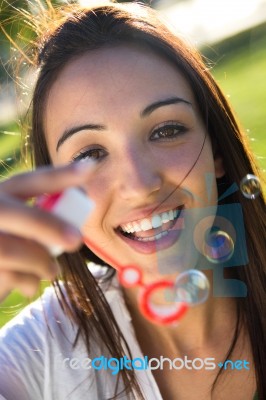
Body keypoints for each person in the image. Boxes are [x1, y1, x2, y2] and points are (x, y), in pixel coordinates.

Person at [0, 1, 265, 399]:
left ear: (217, 151)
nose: (139, 185)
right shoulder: (38, 359)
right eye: (90, 154)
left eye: (166, 130)